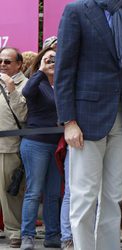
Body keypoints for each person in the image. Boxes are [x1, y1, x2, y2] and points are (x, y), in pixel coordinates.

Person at [54, 0, 122, 249]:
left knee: (113, 198)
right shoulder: (77, 11)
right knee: (84, 198)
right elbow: (64, 70)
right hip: (86, 120)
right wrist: (69, 121)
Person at [20, 47, 62, 250]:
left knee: (53, 193)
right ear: (40, 62)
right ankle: (27, 236)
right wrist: (41, 70)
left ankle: (52, 235)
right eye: (48, 59)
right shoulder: (38, 82)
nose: (52, 62)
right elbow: (26, 92)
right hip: (35, 143)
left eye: (56, 59)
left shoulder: (64, 83)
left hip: (58, 145)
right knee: (34, 192)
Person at [0, 47, 28, 248]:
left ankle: (14, 232)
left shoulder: (26, 84)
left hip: (9, 146)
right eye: (0, 61)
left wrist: (11, 88)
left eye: (7, 61)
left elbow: (24, 116)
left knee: (10, 193)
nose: (2, 64)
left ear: (19, 64)